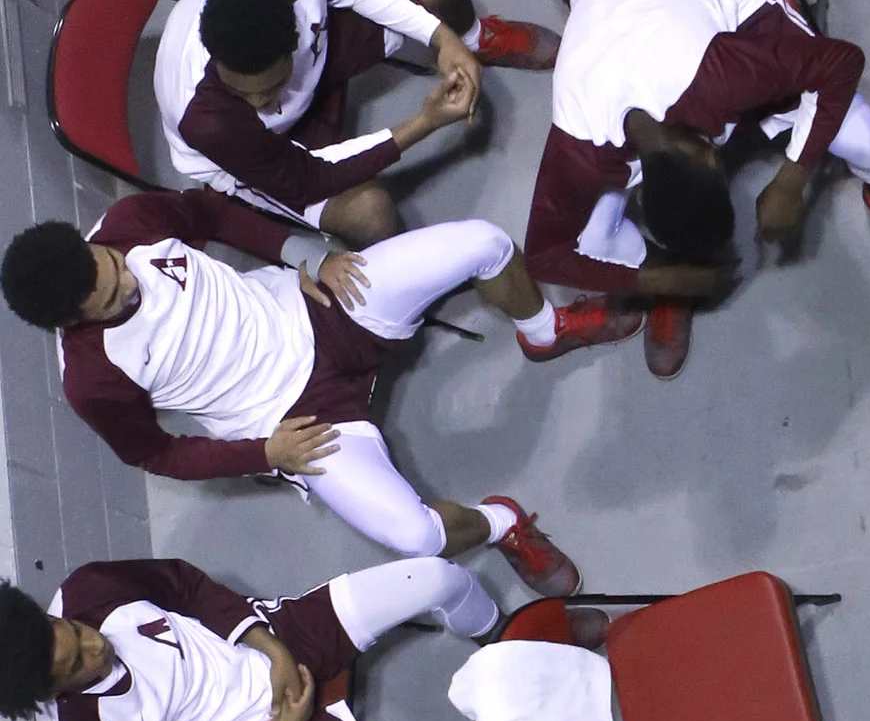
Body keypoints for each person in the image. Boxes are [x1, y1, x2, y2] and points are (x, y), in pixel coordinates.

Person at [3, 187, 620, 576]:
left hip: (317, 305)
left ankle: (544, 331)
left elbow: (213, 211)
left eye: (115, 267)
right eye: (113, 300)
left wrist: (304, 253)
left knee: (484, 242)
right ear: (71, 322)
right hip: (292, 421)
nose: (131, 284)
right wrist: (265, 455)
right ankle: (503, 523)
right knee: (415, 537)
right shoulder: (92, 380)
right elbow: (157, 455)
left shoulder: (130, 221)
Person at [525, 0, 870, 380]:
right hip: (606, 5)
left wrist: (793, 178)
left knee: (867, 140)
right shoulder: (579, 148)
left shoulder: (724, 75)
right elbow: (544, 256)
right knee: (591, 240)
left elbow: (842, 62)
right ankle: (668, 289)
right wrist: (654, 278)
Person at [0, 549, 510, 721]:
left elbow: (187, 584)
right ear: (48, 693)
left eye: (74, 630)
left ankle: (503, 634)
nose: (95, 645)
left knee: (438, 578)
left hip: (274, 639)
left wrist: (272, 649)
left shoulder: (89, 587)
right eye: (78, 664)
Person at [154, 0, 560, 245]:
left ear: (294, 34)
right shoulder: (208, 120)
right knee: (371, 215)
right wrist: (425, 122)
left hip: (316, 63)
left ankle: (476, 41)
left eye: (270, 87)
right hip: (254, 148)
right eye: (242, 92)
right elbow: (310, 177)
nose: (260, 104)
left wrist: (445, 38)